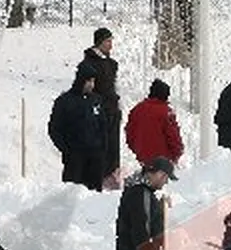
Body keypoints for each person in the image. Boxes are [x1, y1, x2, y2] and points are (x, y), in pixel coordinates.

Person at [114, 157, 177, 250]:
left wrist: (160, 207)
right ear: (160, 173)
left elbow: (145, 219)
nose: (165, 182)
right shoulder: (141, 194)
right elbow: (141, 234)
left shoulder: (139, 191)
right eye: (165, 178)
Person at [48, 65, 107, 192]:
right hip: (75, 158)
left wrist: (103, 148)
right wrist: (67, 149)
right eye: (88, 81)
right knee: (72, 194)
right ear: (81, 80)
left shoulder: (96, 100)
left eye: (93, 81)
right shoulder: (65, 101)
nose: (91, 85)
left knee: (94, 196)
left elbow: (103, 125)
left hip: (95, 157)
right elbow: (54, 129)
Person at [78, 27, 122, 189]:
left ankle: (112, 173)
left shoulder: (111, 63)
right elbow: (86, 89)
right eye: (107, 41)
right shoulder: (89, 63)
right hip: (99, 111)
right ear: (99, 43)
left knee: (113, 145)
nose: (111, 45)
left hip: (112, 110)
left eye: (111, 41)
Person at [124, 79, 184, 167]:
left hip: (143, 159)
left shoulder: (137, 109)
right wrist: (177, 153)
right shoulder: (166, 112)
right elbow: (173, 136)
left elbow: (130, 133)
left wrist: (137, 151)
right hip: (163, 161)